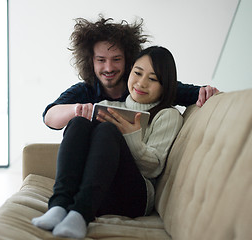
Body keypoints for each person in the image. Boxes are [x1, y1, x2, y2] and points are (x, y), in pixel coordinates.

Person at [32, 46, 184, 239]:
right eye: (137, 73)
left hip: (135, 198)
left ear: (165, 84)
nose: (141, 83)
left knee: (107, 129)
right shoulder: (108, 106)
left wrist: (132, 137)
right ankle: (59, 205)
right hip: (101, 191)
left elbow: (152, 169)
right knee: (78, 121)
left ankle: (81, 214)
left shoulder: (168, 115)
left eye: (152, 79)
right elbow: (52, 117)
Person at [43, 16, 219, 130]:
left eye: (116, 59)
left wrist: (206, 92)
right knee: (77, 124)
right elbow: (49, 116)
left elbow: (191, 93)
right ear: (91, 61)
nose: (109, 67)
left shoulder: (142, 86)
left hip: (132, 166)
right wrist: (77, 109)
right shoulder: (85, 91)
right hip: (94, 162)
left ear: (128, 59)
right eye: (101, 60)